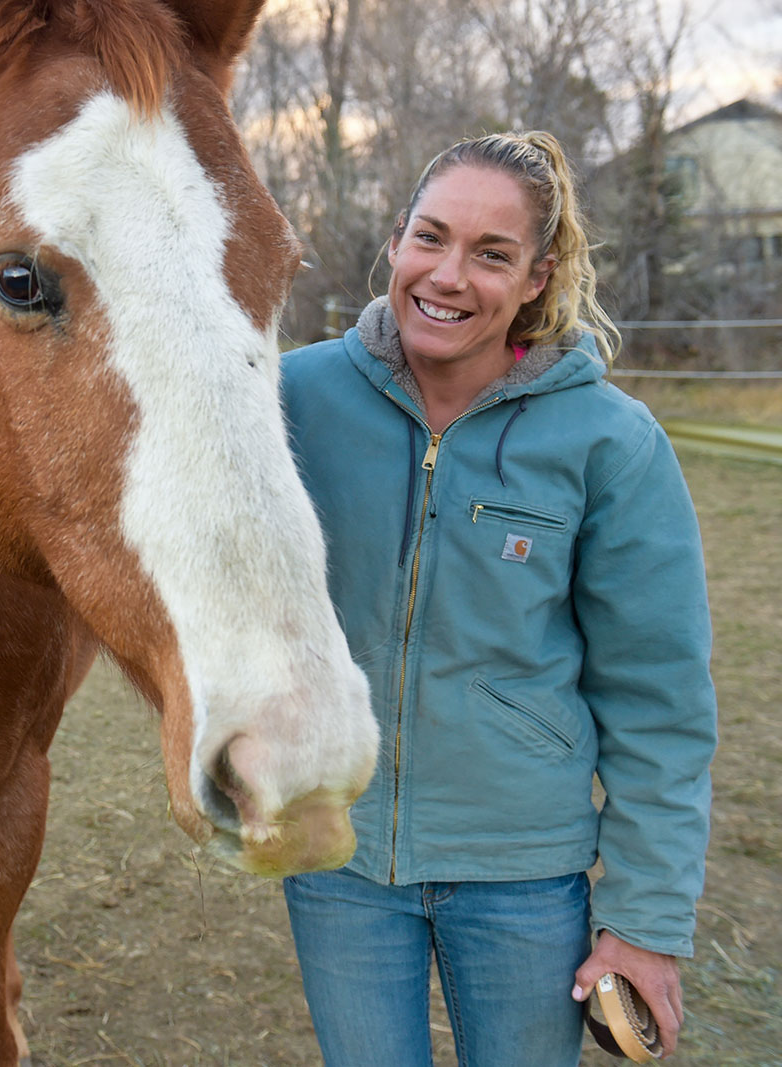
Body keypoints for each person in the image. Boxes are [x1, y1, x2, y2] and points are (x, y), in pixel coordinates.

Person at [277, 130, 717, 1066]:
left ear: (537, 278)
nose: (447, 275)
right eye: (430, 237)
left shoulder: (611, 443)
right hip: (340, 859)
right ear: (396, 241)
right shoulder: (291, 398)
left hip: (524, 875)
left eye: (492, 255)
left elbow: (661, 703)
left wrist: (642, 918)